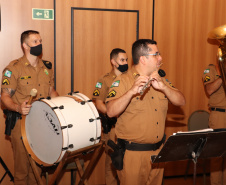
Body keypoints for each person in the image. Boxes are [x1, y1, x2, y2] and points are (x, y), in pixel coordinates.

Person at [106, 39, 185, 185]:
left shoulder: (161, 79)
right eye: (156, 54)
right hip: (133, 155)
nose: (160, 58)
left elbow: (181, 101)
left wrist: (164, 88)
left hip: (158, 153)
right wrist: (131, 92)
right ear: (143, 59)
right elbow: (110, 111)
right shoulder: (123, 81)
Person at [1, 30, 59, 185]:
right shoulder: (13, 68)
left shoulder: (46, 67)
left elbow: (51, 90)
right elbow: (5, 97)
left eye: (40, 41)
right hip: (21, 124)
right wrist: (17, 108)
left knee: (37, 170)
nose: (39, 44)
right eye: (35, 42)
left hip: (42, 124)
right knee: (22, 172)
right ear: (25, 46)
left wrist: (59, 105)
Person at [92, 48, 128, 185]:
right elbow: (98, 103)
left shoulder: (130, 78)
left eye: (126, 60)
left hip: (128, 126)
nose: (125, 62)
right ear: (113, 62)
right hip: (113, 128)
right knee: (113, 164)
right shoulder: (105, 80)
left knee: (128, 164)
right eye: (122, 60)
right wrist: (110, 112)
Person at [203, 63, 226, 185]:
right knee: (217, 157)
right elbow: (209, 89)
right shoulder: (210, 69)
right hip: (219, 116)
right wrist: (222, 75)